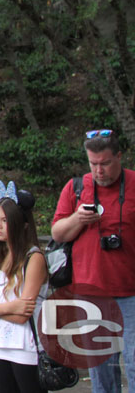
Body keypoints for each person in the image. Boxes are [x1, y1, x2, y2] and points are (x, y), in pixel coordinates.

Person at [50, 129, 135, 393]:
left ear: (119, 156)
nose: (99, 171)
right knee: (102, 372)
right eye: (93, 164)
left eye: (106, 163)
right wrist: (77, 219)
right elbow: (57, 233)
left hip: (131, 294)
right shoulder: (76, 188)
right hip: (91, 296)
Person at [0, 182, 46, 393]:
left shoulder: (34, 258)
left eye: (5, 221)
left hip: (26, 346)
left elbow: (23, 315)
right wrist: (10, 307)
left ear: (21, 223)